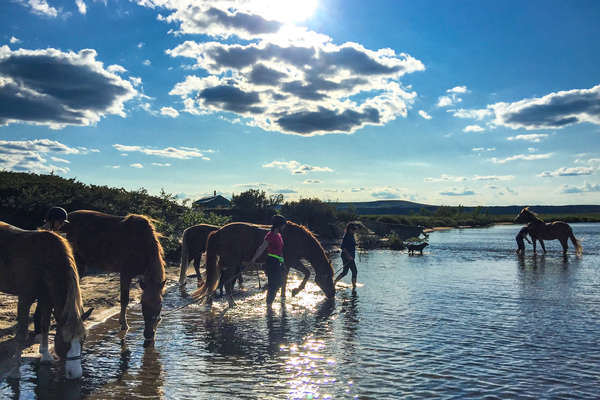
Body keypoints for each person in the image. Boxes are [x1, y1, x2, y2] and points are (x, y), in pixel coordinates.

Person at [250, 214, 287, 309]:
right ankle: (269, 306)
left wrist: (282, 262)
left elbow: (280, 250)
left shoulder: (279, 235)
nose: (284, 227)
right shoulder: (270, 235)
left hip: (277, 262)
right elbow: (262, 248)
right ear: (279, 225)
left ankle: (268, 302)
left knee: (278, 283)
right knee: (274, 284)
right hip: (271, 262)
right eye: (283, 225)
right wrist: (253, 259)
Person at [334, 222, 360, 290]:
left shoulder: (351, 236)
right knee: (354, 271)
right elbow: (343, 247)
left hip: (350, 257)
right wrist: (349, 256)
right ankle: (354, 286)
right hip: (346, 256)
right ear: (349, 229)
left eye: (355, 229)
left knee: (345, 272)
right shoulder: (346, 236)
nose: (354, 230)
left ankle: (334, 282)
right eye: (353, 229)